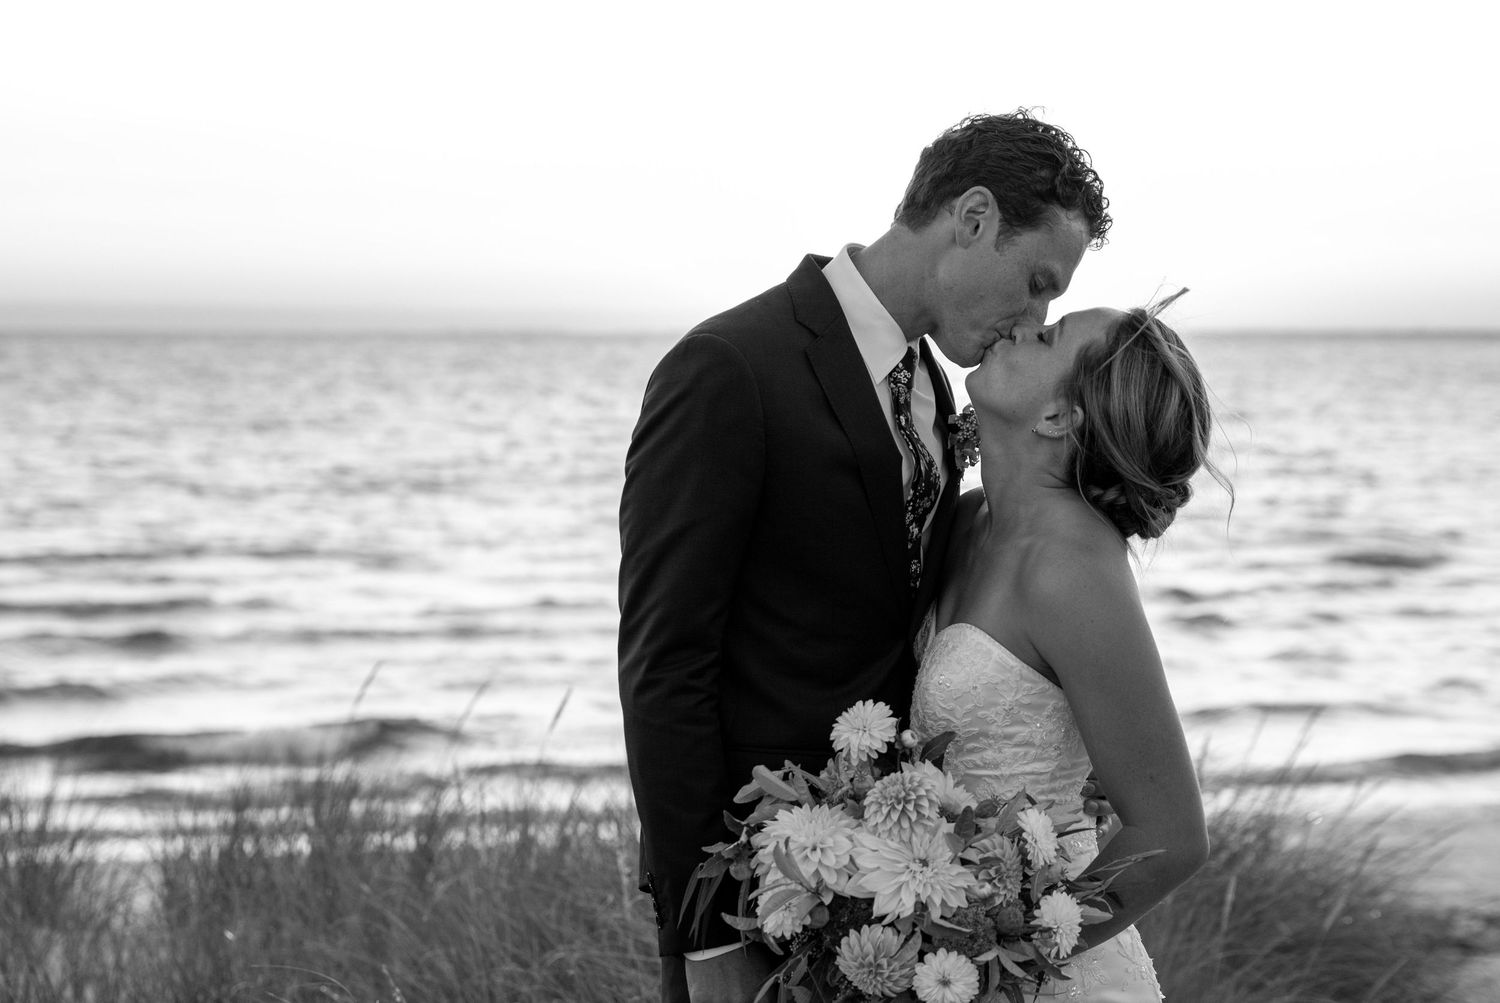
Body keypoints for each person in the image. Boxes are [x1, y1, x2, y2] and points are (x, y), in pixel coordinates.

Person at [618, 110, 1111, 1003]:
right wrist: (701, 937)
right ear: (970, 218)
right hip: (748, 900)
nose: (1035, 318)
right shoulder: (731, 366)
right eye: (1037, 282)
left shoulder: (930, 387)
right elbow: (663, 664)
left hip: (888, 906)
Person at [911, 304, 1223, 999]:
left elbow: (1172, 832)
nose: (1021, 324)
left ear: (1058, 417)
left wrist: (1010, 954)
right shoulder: (966, 520)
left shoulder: (1071, 565)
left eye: (1047, 337)